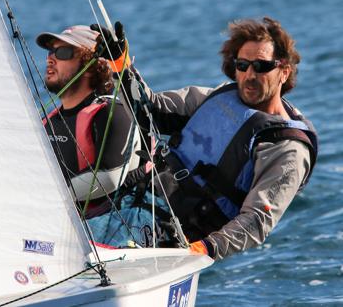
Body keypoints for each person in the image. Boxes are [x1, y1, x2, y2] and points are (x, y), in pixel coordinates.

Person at [95, 17, 318, 260]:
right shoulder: (217, 97)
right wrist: (120, 66)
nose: (250, 74)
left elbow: (256, 221)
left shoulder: (287, 147)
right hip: (131, 200)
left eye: (261, 66)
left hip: (168, 236)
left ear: (284, 72)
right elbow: (151, 112)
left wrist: (201, 250)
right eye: (242, 65)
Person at [35, 25, 141, 217]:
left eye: (63, 52)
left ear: (90, 68)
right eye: (51, 52)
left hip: (119, 234)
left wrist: (38, 195)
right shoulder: (46, 123)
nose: (50, 58)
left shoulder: (114, 112)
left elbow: (110, 178)